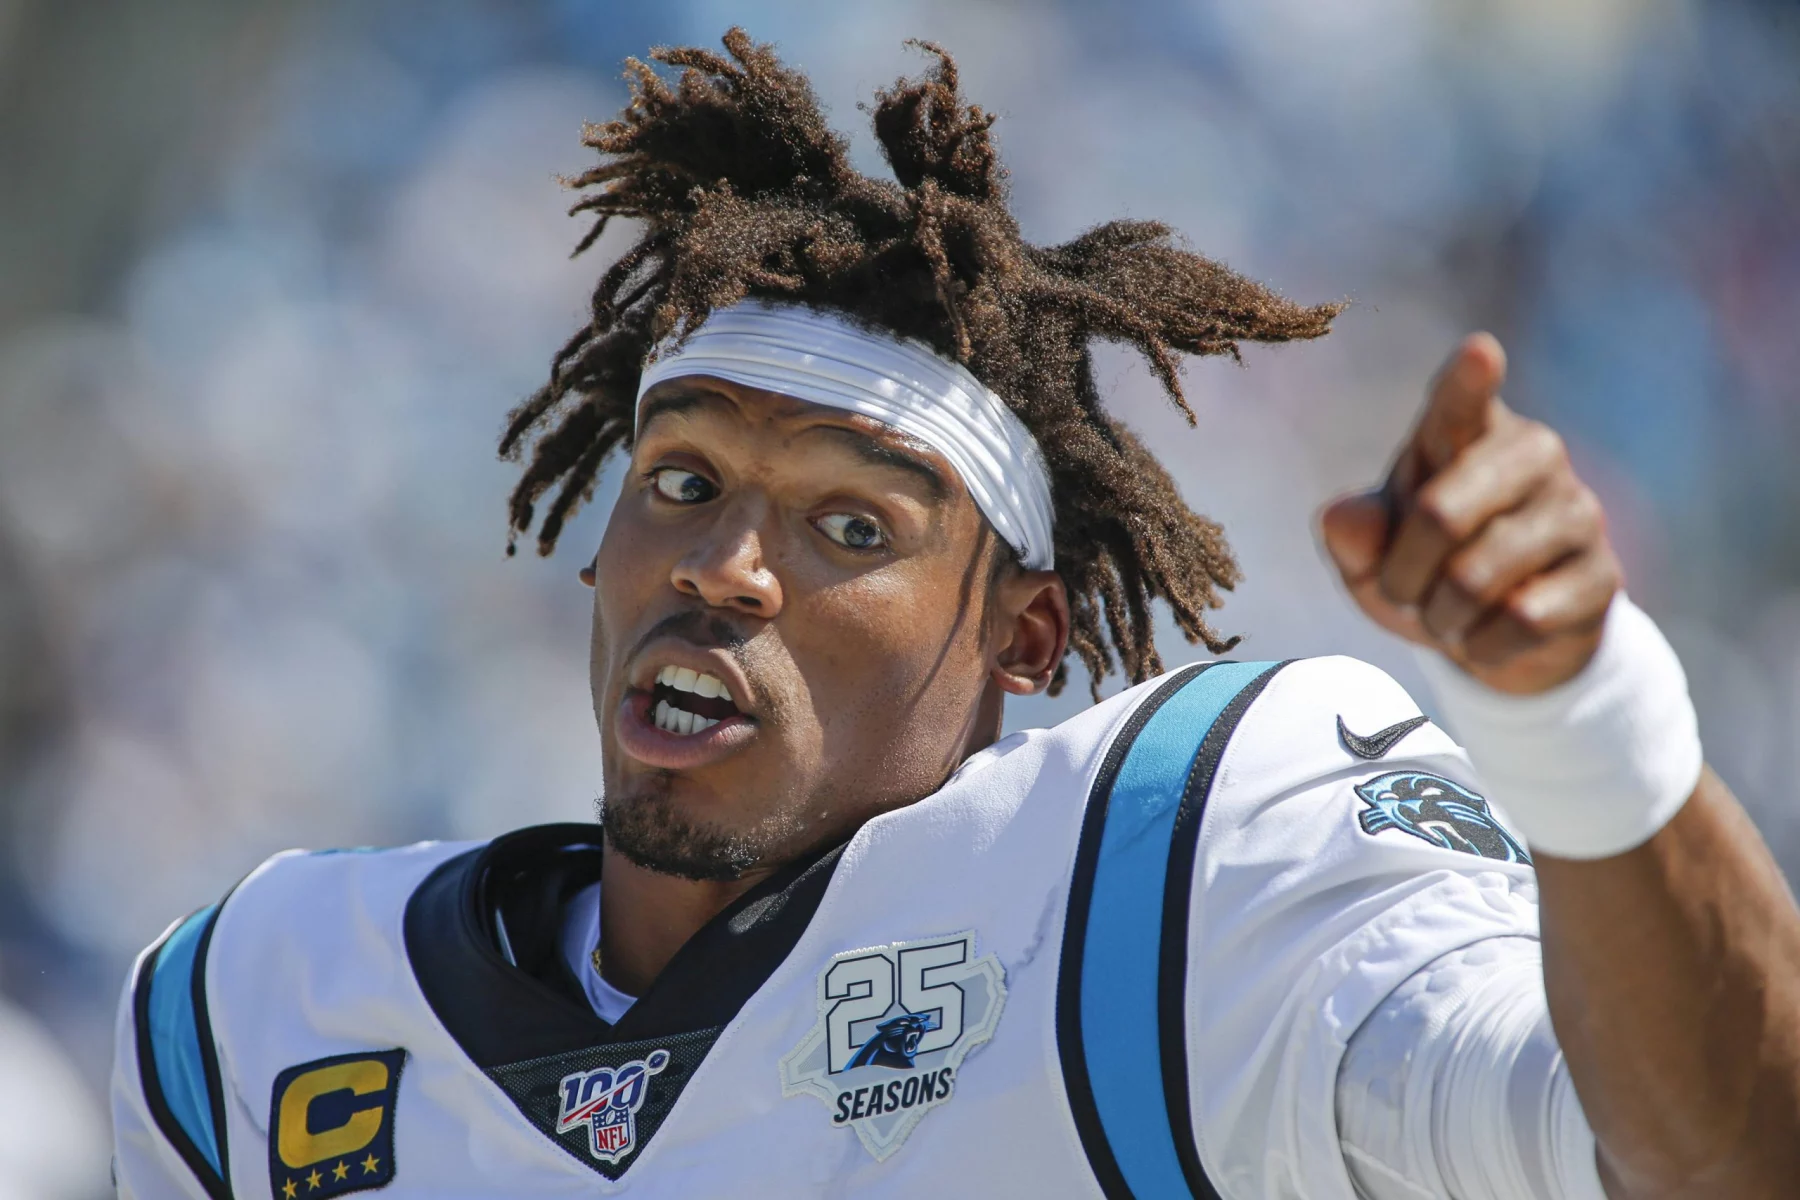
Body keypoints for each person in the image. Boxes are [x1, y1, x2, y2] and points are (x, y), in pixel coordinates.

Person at [112, 30, 1800, 1200]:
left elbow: (1725, 1158)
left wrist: (1583, 729)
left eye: (854, 524)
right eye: (684, 483)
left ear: (1026, 643)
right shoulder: (260, 1013)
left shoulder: (1172, 886)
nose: (727, 569)